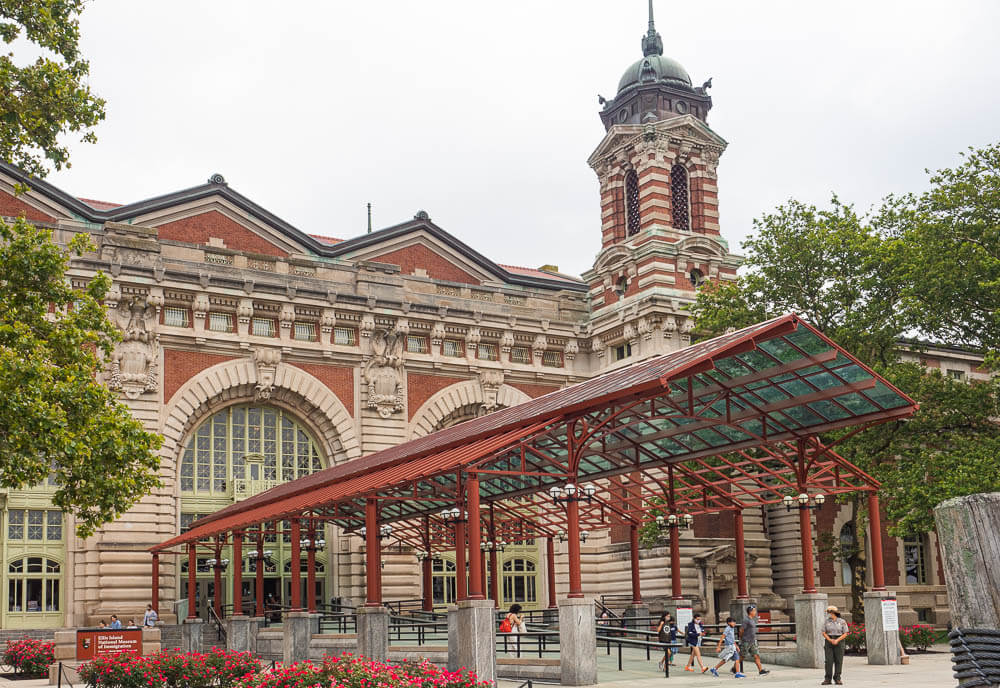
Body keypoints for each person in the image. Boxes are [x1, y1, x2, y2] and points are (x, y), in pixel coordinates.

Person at [821, 605, 849, 685]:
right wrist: (830, 640)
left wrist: (837, 640)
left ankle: (837, 678)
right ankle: (827, 679)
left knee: (838, 660)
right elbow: (823, 632)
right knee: (828, 661)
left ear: (833, 613)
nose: (829, 614)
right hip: (829, 641)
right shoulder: (826, 622)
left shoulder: (842, 621)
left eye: (829, 612)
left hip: (839, 641)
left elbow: (845, 633)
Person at [739, 605, 770, 675]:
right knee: (742, 656)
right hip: (746, 641)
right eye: (754, 611)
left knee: (756, 655)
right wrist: (741, 639)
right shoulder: (746, 620)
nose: (755, 612)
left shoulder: (752, 620)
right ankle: (735, 669)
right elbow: (741, 630)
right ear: (750, 612)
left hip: (753, 641)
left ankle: (761, 670)